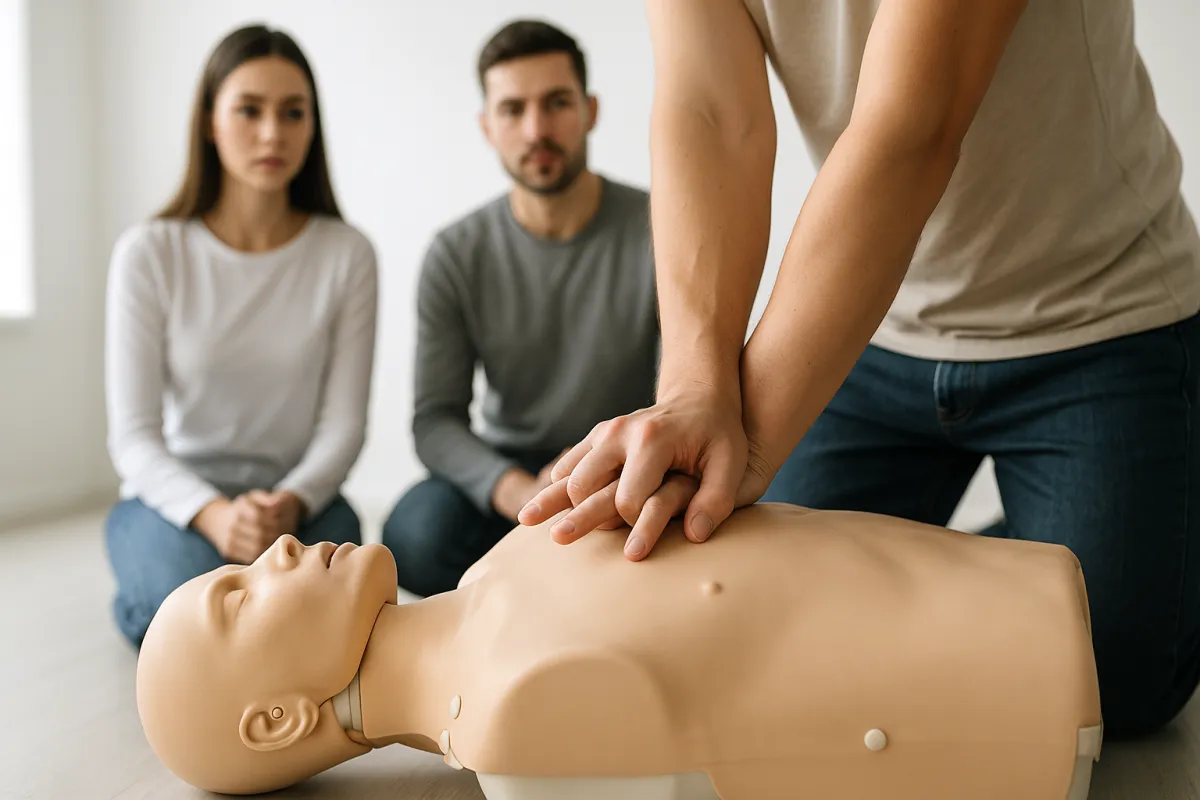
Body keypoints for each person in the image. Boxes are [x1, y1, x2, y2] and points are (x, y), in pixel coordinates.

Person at [520, 0, 1200, 740]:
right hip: (870, 331)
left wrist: (744, 449)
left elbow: (913, 126)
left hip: (1097, 318)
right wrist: (692, 391)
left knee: (1110, 689)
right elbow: (710, 109)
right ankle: (1022, 547)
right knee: (747, 632)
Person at [135, 505, 1101, 798]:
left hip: (1021, 585)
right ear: (278, 721)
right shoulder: (517, 719)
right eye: (239, 595)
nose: (277, 553)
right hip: (1041, 682)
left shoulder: (496, 573)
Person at [103, 24, 378, 649]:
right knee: (194, 612)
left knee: (325, 610)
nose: (272, 133)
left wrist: (292, 500)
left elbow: (343, 426)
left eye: (292, 113)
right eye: (248, 110)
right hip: (176, 504)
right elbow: (134, 437)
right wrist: (216, 515)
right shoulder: (150, 252)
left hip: (298, 503)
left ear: (313, 125)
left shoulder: (347, 255)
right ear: (209, 121)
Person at [381, 19, 659, 597]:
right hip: (510, 469)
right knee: (413, 533)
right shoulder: (456, 253)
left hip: (625, 459)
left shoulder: (662, 229)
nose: (537, 129)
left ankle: (545, 584)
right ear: (488, 127)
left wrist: (604, 468)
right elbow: (435, 421)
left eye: (556, 103)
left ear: (591, 111)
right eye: (513, 110)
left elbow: (687, 386)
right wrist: (514, 491)